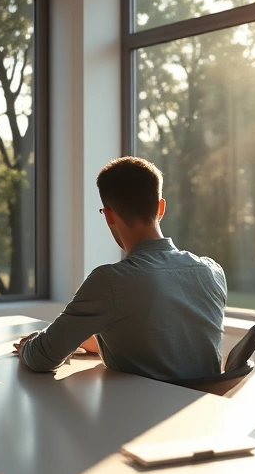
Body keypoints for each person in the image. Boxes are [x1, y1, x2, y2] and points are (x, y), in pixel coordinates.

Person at [16, 156, 227, 382]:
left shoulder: (110, 281)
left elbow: (41, 359)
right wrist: (80, 339)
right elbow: (159, 340)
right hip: (204, 403)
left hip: (142, 405)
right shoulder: (212, 271)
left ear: (109, 215)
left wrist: (29, 345)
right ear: (161, 207)